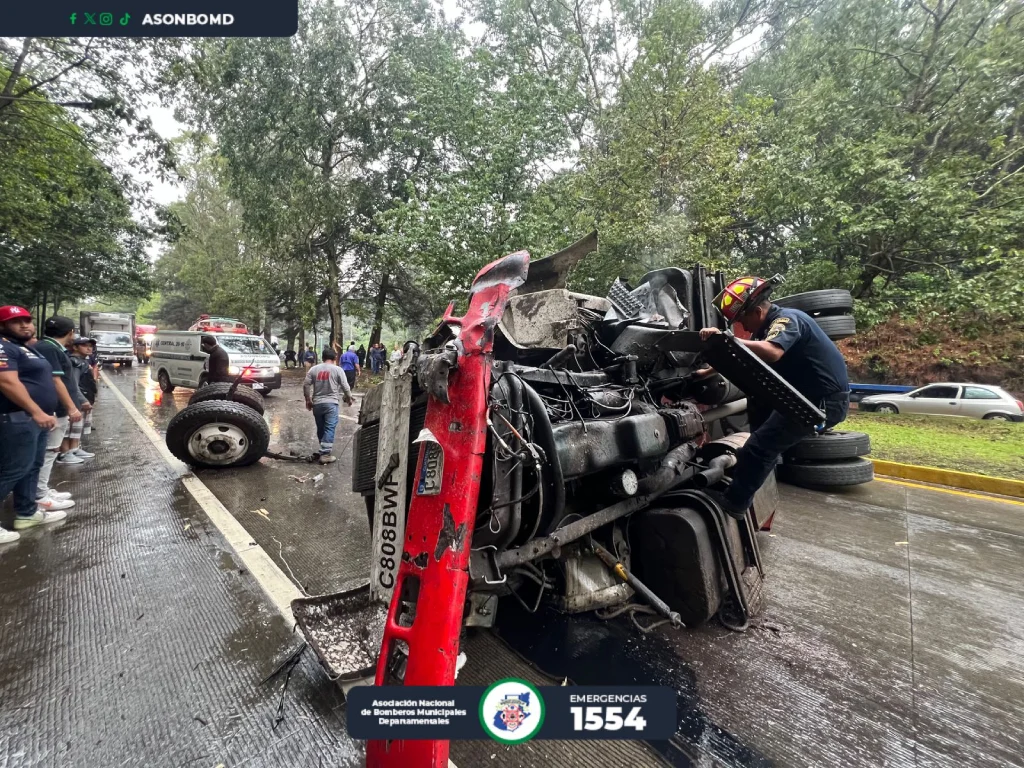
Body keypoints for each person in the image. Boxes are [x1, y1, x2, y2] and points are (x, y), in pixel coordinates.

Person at [698, 276, 850, 519]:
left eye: (742, 320)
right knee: (761, 425)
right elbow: (746, 355)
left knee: (756, 450)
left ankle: (734, 505)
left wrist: (728, 338)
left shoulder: (787, 319)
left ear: (757, 311)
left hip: (820, 403)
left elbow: (772, 351)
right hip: (809, 397)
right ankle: (756, 476)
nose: (744, 328)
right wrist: (706, 371)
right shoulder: (767, 328)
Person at [0, 306, 68, 542]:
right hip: (17, 418)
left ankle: (27, 513)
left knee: (31, 467)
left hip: (34, 420)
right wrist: (36, 411)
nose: (24, 325)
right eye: (15, 321)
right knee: (12, 470)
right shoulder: (3, 347)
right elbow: (6, 382)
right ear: (2, 326)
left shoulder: (24, 348)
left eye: (27, 320)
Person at [34, 317, 88, 496]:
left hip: (56, 408)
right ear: (71, 332)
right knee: (50, 451)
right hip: (55, 409)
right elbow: (56, 380)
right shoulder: (49, 349)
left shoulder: (52, 348)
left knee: (50, 450)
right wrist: (72, 407)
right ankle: (39, 493)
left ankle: (41, 489)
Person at [302, 348, 354, 465]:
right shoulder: (338, 370)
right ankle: (325, 454)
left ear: (322, 358)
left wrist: (308, 400)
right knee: (329, 427)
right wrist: (349, 398)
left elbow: (306, 385)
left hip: (318, 404)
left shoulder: (313, 369)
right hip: (331, 404)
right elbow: (346, 386)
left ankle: (323, 448)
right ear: (335, 358)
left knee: (321, 427)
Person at [67, 336, 98, 457]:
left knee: (78, 427)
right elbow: (74, 384)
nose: (89, 348)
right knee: (73, 427)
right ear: (75, 347)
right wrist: (83, 400)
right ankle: (69, 452)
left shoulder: (83, 361)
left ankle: (75, 448)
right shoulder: (75, 362)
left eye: (90, 346)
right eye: (85, 345)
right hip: (78, 399)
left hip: (84, 397)